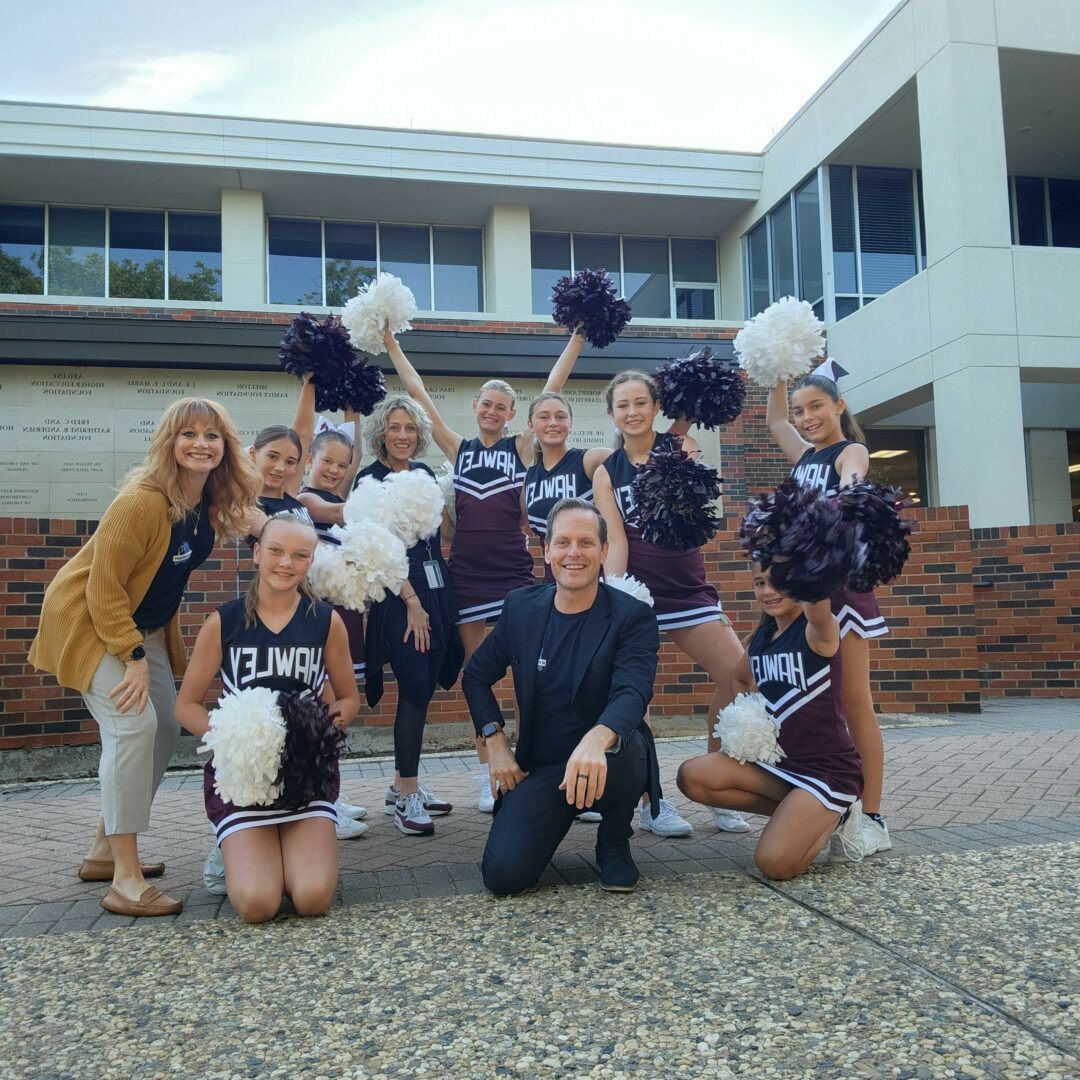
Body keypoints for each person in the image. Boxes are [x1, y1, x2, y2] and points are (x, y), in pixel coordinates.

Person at [28, 398, 261, 917]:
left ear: (225, 447)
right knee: (133, 726)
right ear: (169, 442)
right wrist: (131, 654)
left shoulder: (207, 501)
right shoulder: (141, 501)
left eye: (212, 435)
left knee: (165, 730)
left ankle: (103, 852)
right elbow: (103, 588)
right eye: (188, 434)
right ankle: (125, 880)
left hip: (143, 630)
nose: (200, 443)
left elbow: (263, 518)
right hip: (94, 624)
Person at [382, 324, 585, 811]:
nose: (492, 411)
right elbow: (418, 392)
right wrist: (391, 343)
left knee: (526, 675)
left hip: (514, 574)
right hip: (467, 576)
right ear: (475, 407)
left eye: (502, 406)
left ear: (514, 415)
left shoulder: (522, 448)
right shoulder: (459, 448)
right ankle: (487, 771)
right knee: (479, 674)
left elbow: (552, 389)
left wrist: (577, 338)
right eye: (486, 404)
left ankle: (530, 766)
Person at [463, 498, 660, 894]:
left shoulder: (631, 616)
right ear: (547, 550)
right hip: (545, 764)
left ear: (603, 552)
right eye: (563, 542)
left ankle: (614, 839)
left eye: (586, 543)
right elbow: (476, 676)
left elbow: (633, 690)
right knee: (504, 877)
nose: (574, 553)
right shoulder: (521, 608)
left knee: (631, 748)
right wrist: (495, 741)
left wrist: (597, 738)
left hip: (609, 758)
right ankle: (551, 818)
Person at [176, 515, 360, 923]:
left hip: (305, 775)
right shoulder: (223, 622)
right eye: (276, 550)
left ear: (310, 561)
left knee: (312, 899)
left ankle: (282, 850)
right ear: (257, 552)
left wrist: (316, 735)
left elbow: (348, 698)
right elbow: (186, 706)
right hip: (244, 778)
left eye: (300, 555)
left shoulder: (325, 621)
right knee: (258, 904)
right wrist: (236, 739)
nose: (286, 563)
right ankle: (234, 848)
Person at [592, 370, 749, 838]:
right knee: (636, 699)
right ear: (611, 414)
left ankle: (721, 786)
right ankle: (651, 802)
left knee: (740, 676)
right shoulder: (606, 472)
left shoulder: (683, 448)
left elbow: (695, 516)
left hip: (688, 589)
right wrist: (618, 595)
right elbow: (616, 540)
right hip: (641, 592)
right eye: (623, 405)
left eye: (641, 402)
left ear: (656, 406)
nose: (632, 412)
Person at [766, 368, 891, 857]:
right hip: (807, 593)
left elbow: (855, 481)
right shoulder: (803, 456)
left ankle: (873, 816)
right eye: (801, 410)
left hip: (843, 591)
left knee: (854, 702)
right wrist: (778, 368)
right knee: (824, 703)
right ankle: (833, 802)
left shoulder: (848, 452)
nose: (806, 417)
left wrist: (846, 499)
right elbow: (775, 420)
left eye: (816, 406)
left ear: (838, 406)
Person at [677, 563, 865, 879]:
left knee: (774, 864)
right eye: (759, 583)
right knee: (692, 776)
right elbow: (738, 678)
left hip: (826, 772)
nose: (768, 591)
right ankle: (803, 816)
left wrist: (811, 556)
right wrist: (749, 717)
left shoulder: (816, 630)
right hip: (780, 767)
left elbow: (819, 609)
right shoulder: (762, 637)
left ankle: (838, 815)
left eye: (779, 581)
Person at [356, 394, 462, 836]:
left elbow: (439, 536)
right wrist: (412, 601)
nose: (403, 435)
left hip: (436, 588)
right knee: (415, 686)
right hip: (400, 595)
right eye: (395, 427)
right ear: (381, 432)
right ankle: (406, 798)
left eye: (411, 428)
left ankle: (402, 784)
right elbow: (374, 549)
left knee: (427, 684)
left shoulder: (423, 474)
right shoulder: (369, 479)